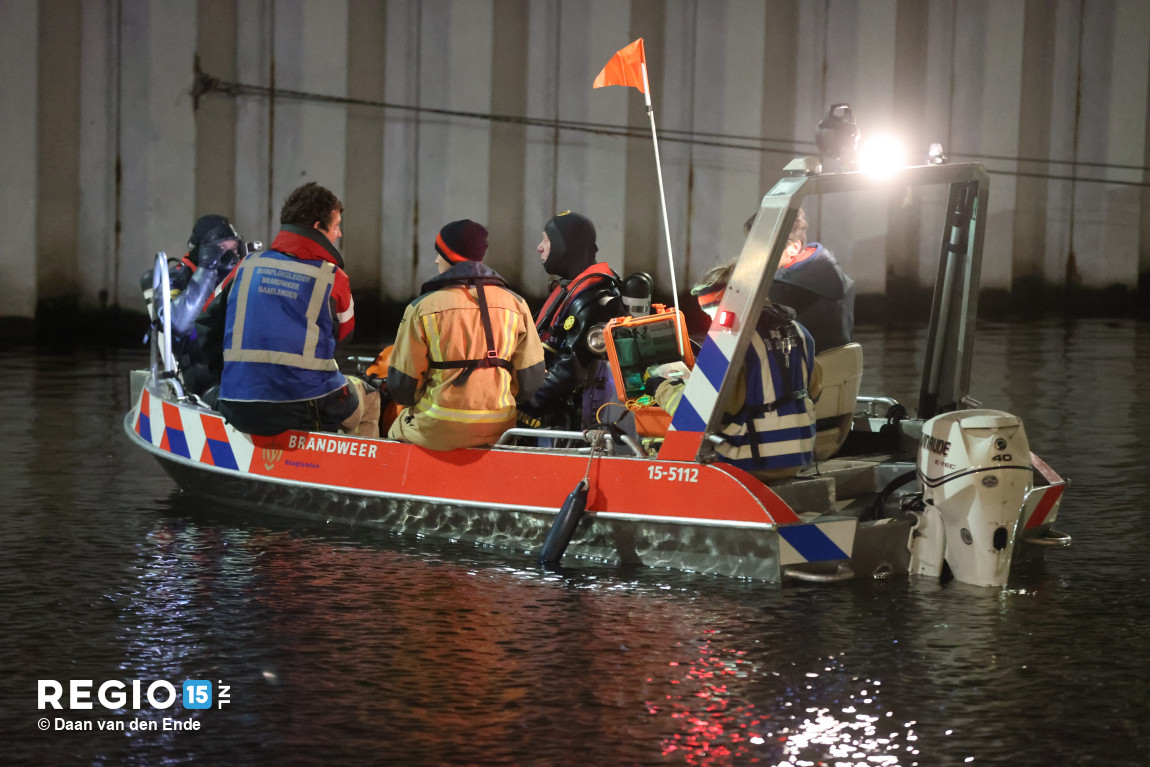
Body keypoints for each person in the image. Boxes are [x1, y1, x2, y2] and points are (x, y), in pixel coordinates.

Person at [216, 182, 379, 438]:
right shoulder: (333, 278)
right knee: (370, 396)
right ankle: (360, 471)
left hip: (236, 404)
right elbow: (344, 335)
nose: (339, 235)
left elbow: (207, 324)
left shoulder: (245, 267)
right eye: (336, 226)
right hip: (305, 408)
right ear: (318, 227)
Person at [646, 262, 821, 481]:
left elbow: (700, 414)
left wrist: (661, 387)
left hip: (751, 461)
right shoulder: (800, 331)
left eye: (711, 313)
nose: (712, 322)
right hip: (798, 455)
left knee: (655, 445)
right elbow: (813, 389)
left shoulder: (731, 339)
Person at [386, 219, 545, 450]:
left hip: (437, 428)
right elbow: (531, 379)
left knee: (393, 426)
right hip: (500, 427)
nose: (436, 260)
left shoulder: (421, 308)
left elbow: (402, 387)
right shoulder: (516, 304)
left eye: (439, 253)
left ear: (451, 256)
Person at [518, 211, 627, 429]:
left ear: (564, 245)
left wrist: (527, 402)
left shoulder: (595, 298)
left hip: (571, 420)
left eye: (546, 240)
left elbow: (573, 366)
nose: (539, 247)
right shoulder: (572, 290)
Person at [746, 208, 855, 352]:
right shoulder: (838, 277)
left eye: (762, 247)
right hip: (834, 370)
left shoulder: (780, 292)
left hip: (797, 371)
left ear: (793, 248)